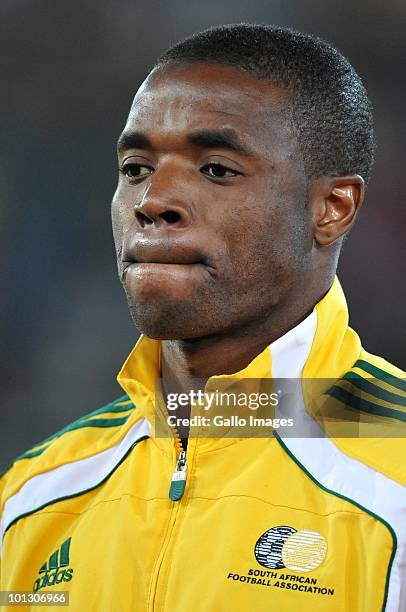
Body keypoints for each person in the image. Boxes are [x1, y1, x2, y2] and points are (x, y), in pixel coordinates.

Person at [0, 23, 404, 612]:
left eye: (216, 169)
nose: (151, 201)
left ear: (332, 208)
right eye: (136, 167)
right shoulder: (30, 497)